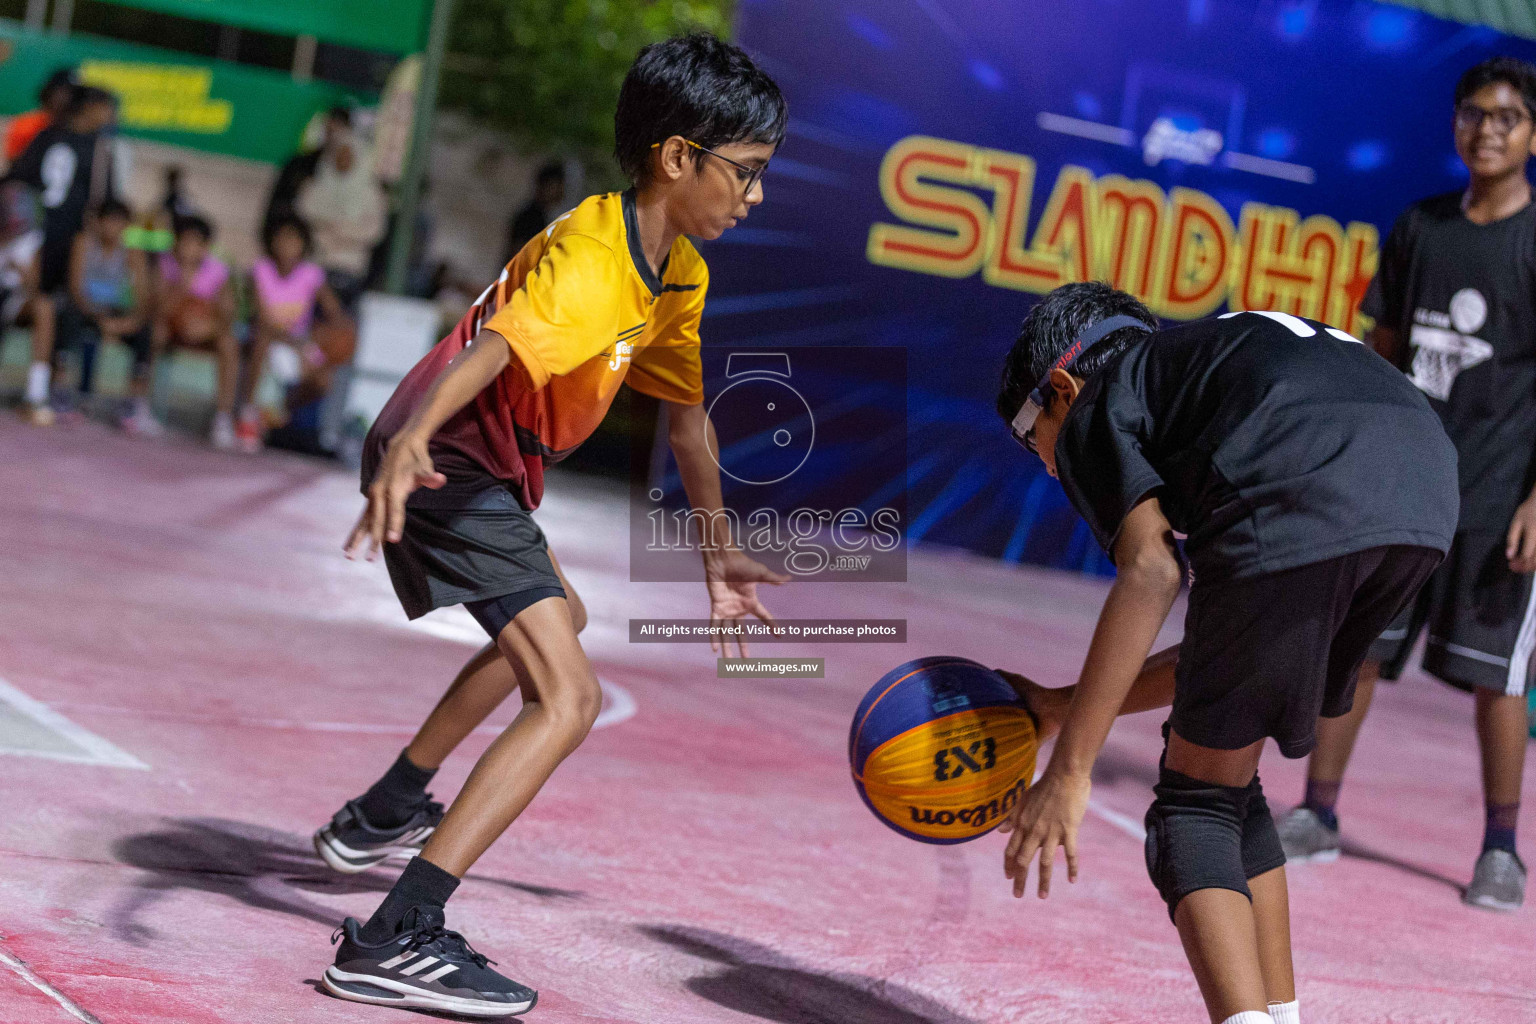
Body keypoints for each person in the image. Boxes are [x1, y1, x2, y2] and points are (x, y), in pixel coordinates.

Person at [313, 33, 787, 1017]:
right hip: (449, 457)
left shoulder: (679, 273)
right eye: (744, 173)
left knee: (552, 621)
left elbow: (687, 417)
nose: (755, 195)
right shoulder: (591, 253)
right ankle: (397, 932)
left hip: (475, 461)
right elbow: (496, 345)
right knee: (567, 696)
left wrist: (717, 545)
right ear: (676, 158)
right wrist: (410, 441)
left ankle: (388, 807)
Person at [995, 283, 1458, 1024]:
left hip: (1310, 482)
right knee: (1224, 776)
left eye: (1033, 441)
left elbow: (1152, 570)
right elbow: (1212, 657)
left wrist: (1071, 771)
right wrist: (1060, 706)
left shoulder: (1096, 402)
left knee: (1190, 811)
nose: (1048, 469)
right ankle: (1282, 1017)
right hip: (1424, 489)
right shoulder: (1205, 368)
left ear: (1060, 388)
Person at [1275, 57, 1536, 913]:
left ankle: (1502, 848)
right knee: (1362, 650)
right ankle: (1317, 813)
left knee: (1498, 677)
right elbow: (1380, 354)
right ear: (1455, 125)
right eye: (1472, 114)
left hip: (1501, 499)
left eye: (1506, 117)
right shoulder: (1421, 226)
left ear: (1532, 134)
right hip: (1404, 486)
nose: (1486, 129)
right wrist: (1356, 457)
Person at [4, 86, 120, 304]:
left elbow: (18, 175)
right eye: (105, 109)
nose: (109, 116)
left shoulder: (49, 135)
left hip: (53, 233)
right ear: (89, 108)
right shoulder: (97, 149)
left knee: (46, 296)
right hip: (43, 232)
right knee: (31, 292)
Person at [250, 215, 349, 453]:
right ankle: (248, 415)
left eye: (293, 240)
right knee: (262, 344)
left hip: (299, 342)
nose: (287, 245)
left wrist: (326, 336)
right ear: (271, 241)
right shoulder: (260, 270)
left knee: (324, 379)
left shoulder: (311, 274)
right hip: (269, 340)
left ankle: (284, 410)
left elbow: (336, 314)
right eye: (282, 239)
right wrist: (298, 345)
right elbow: (263, 322)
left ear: (304, 244)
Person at [150, 215, 241, 448]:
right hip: (173, 328)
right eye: (185, 242)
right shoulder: (165, 265)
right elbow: (159, 309)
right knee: (154, 333)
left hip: (204, 332)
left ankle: (222, 417)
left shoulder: (218, 272)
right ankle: (143, 405)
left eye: (196, 243)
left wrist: (208, 326)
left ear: (205, 247)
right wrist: (183, 285)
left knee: (228, 344)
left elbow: (228, 315)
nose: (189, 249)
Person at [294, 124, 384, 308]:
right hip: (315, 261)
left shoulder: (371, 194)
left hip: (350, 267)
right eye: (339, 154)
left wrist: (336, 229)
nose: (343, 160)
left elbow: (373, 231)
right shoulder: (316, 185)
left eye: (348, 154)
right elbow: (304, 214)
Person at [1, 182, 57, 426]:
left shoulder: (31, 240)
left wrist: (23, 274)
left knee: (44, 307)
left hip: (14, 301)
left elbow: (34, 288)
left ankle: (36, 394)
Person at [263, 105, 352, 236]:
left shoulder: (359, 177)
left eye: (339, 129)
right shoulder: (299, 164)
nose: (334, 135)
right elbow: (278, 206)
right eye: (330, 128)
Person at [4, 68, 76, 164]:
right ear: (50, 91)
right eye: (64, 92)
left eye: (73, 93)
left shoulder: (78, 129)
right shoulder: (27, 125)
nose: (68, 98)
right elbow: (14, 164)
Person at [502, 161, 566, 266]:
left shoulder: (539, 217)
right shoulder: (530, 218)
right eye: (556, 187)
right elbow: (519, 255)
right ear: (544, 186)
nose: (560, 193)